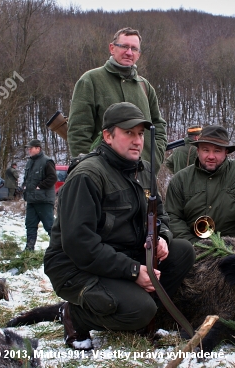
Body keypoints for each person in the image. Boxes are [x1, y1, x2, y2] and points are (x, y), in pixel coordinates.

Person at [44, 102, 195, 350]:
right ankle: (75, 315)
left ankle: (139, 316)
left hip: (121, 256)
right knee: (140, 309)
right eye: (128, 133)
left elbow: (161, 215)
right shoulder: (87, 176)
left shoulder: (144, 170)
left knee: (183, 250)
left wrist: (162, 238)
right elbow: (79, 244)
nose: (137, 141)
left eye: (140, 134)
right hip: (75, 266)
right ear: (108, 136)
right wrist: (134, 271)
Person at [67, 27, 167, 174]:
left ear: (139, 54)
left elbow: (158, 125)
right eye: (124, 46)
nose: (129, 52)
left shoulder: (145, 86)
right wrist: (89, 169)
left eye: (134, 48)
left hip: (142, 176)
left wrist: (155, 158)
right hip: (104, 177)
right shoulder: (90, 80)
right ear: (112, 48)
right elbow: (78, 131)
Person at [165, 125, 235, 243]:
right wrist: (193, 245)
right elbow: (172, 217)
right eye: (206, 150)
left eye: (217, 151)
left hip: (234, 249)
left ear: (226, 152)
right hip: (192, 250)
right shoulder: (180, 179)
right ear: (198, 150)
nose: (211, 156)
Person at [22, 139, 57, 252]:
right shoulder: (30, 162)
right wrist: (24, 186)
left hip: (44, 200)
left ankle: (59, 249)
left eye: (31, 148)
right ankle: (29, 248)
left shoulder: (47, 161)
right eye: (28, 148)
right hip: (31, 200)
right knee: (30, 224)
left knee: (50, 226)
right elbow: (27, 178)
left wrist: (40, 186)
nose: (29, 150)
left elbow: (52, 178)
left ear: (38, 148)